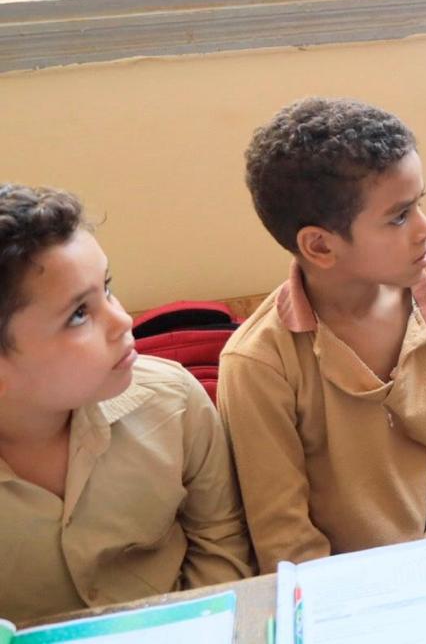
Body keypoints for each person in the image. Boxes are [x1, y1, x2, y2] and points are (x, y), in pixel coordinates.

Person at [219, 97, 426, 571]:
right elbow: (284, 534)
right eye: (400, 216)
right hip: (337, 595)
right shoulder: (258, 364)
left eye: (420, 204)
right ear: (320, 245)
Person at [0, 184, 252, 623]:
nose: (123, 320)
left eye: (108, 288)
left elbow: (222, 540)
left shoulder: (173, 400)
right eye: (79, 314)